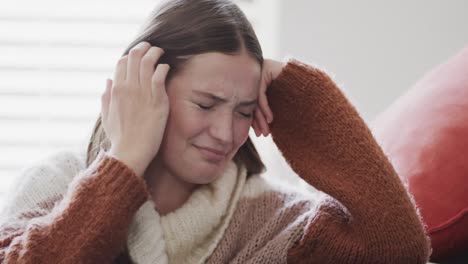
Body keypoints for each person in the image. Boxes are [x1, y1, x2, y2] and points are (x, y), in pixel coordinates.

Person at [0, 0, 431, 263]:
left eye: (244, 111)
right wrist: (126, 159)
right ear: (145, 88)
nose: (227, 133)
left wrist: (299, 91)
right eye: (206, 104)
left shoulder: (269, 218)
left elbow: (397, 247)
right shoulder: (56, 185)